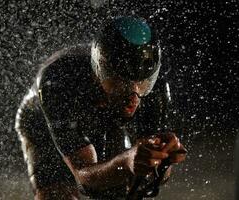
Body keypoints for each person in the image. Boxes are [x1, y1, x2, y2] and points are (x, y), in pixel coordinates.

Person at [15, 16, 187, 200]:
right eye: (122, 82)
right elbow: (85, 178)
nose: (133, 97)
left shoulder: (156, 88)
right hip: (40, 125)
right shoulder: (58, 80)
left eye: (144, 83)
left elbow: (152, 177)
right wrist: (127, 162)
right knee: (58, 195)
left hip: (102, 113)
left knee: (121, 187)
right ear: (99, 71)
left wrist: (162, 162)